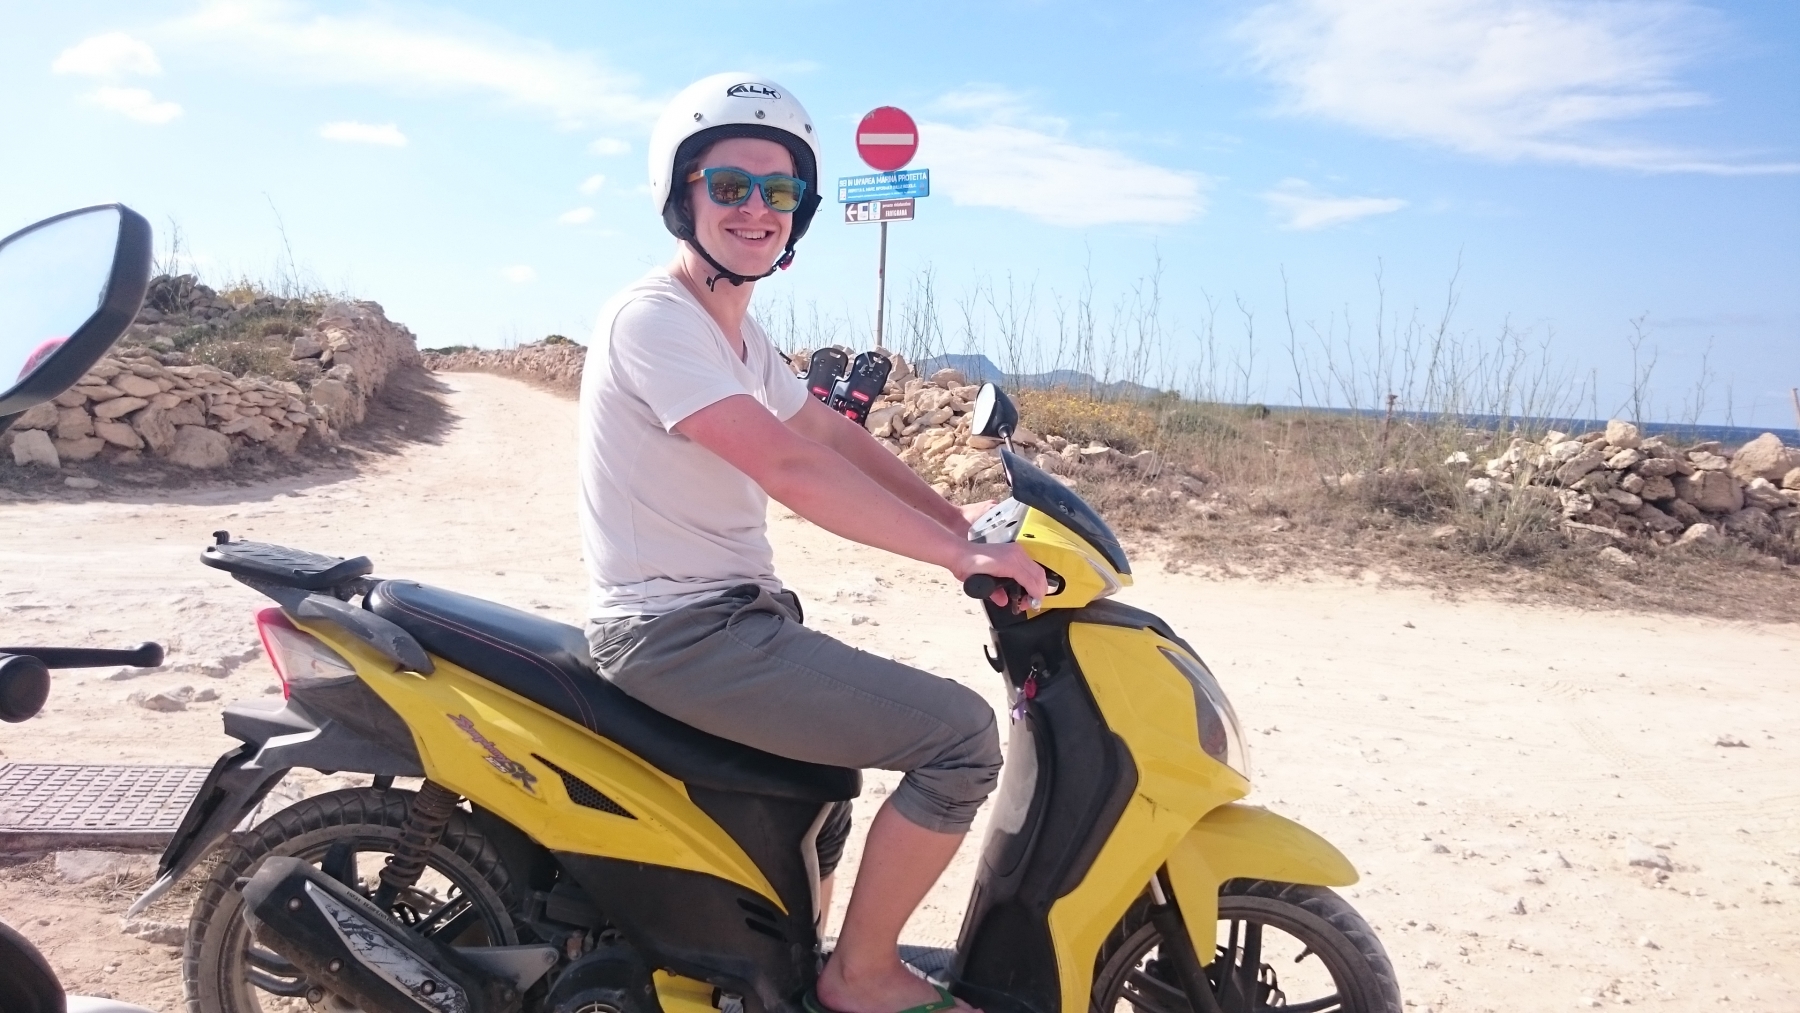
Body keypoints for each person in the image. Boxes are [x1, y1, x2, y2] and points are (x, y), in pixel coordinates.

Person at [578, 73, 1046, 1013]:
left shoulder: (737, 335)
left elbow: (829, 433)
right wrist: (956, 557)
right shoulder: (655, 318)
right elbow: (790, 466)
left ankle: (785, 975)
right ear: (681, 195)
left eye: (780, 190)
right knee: (959, 737)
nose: (757, 208)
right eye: (730, 185)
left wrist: (958, 520)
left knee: (825, 788)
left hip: (730, 621)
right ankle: (859, 975)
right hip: (677, 633)